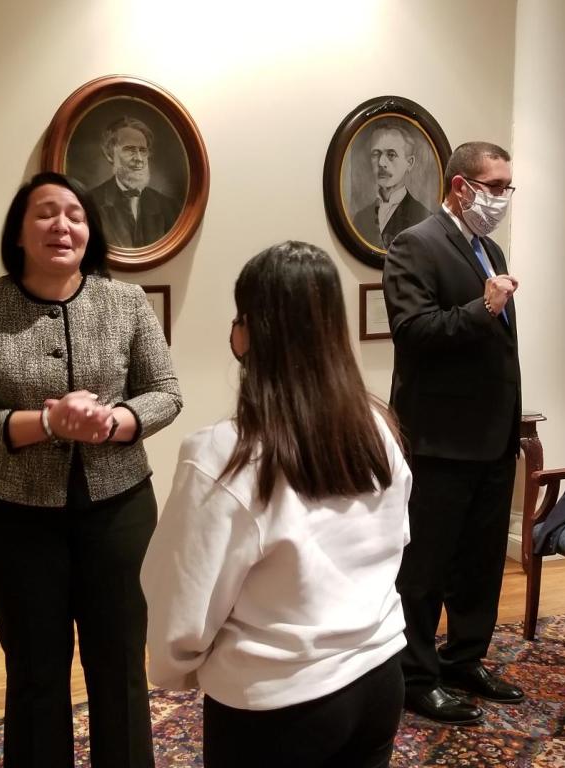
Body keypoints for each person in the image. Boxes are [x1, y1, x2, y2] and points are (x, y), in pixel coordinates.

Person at [0, 172, 182, 768]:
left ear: (90, 232)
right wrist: (44, 424)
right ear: (19, 232)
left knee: (120, 665)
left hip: (119, 509)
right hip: (16, 518)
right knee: (35, 671)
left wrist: (115, 421)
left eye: (74, 214)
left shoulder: (124, 302)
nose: (61, 225)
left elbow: (166, 391)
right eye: (45, 213)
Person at [142, 241, 411, 768]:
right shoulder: (378, 427)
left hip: (280, 700)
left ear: (246, 335)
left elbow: (183, 599)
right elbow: (397, 541)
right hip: (379, 674)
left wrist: (178, 669)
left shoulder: (223, 453)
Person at [383, 140, 524, 726]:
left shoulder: (487, 246)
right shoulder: (414, 243)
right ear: (460, 185)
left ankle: (464, 657)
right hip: (440, 439)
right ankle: (415, 676)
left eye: (507, 188)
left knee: (481, 561)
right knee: (427, 566)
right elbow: (413, 332)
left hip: (493, 437)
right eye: (494, 187)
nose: (502, 199)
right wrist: (482, 309)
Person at [87, 116, 183, 248]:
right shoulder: (90, 203)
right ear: (110, 155)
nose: (139, 159)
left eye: (143, 151)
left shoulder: (169, 207)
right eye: (129, 150)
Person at [350, 124, 432, 249]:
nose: (381, 163)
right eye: (376, 154)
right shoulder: (360, 218)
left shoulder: (425, 219)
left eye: (391, 155)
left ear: (409, 163)